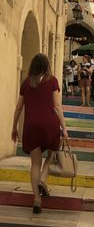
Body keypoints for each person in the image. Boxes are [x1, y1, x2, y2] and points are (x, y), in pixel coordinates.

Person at [11, 54, 68, 214]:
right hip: (49, 125)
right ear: (46, 66)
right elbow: (57, 107)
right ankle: (43, 178)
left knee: (34, 163)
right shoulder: (52, 81)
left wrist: (14, 127)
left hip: (31, 127)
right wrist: (64, 127)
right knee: (52, 152)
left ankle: (37, 199)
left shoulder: (26, 83)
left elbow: (18, 108)